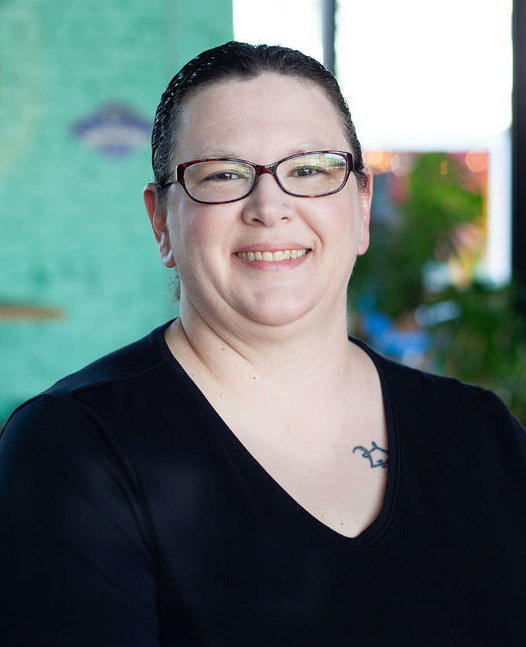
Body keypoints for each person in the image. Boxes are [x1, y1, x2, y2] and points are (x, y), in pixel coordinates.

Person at [1, 40, 526, 647]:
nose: (269, 207)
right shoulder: (74, 447)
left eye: (309, 169)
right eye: (223, 175)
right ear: (160, 222)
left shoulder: (479, 435)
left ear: (360, 205)